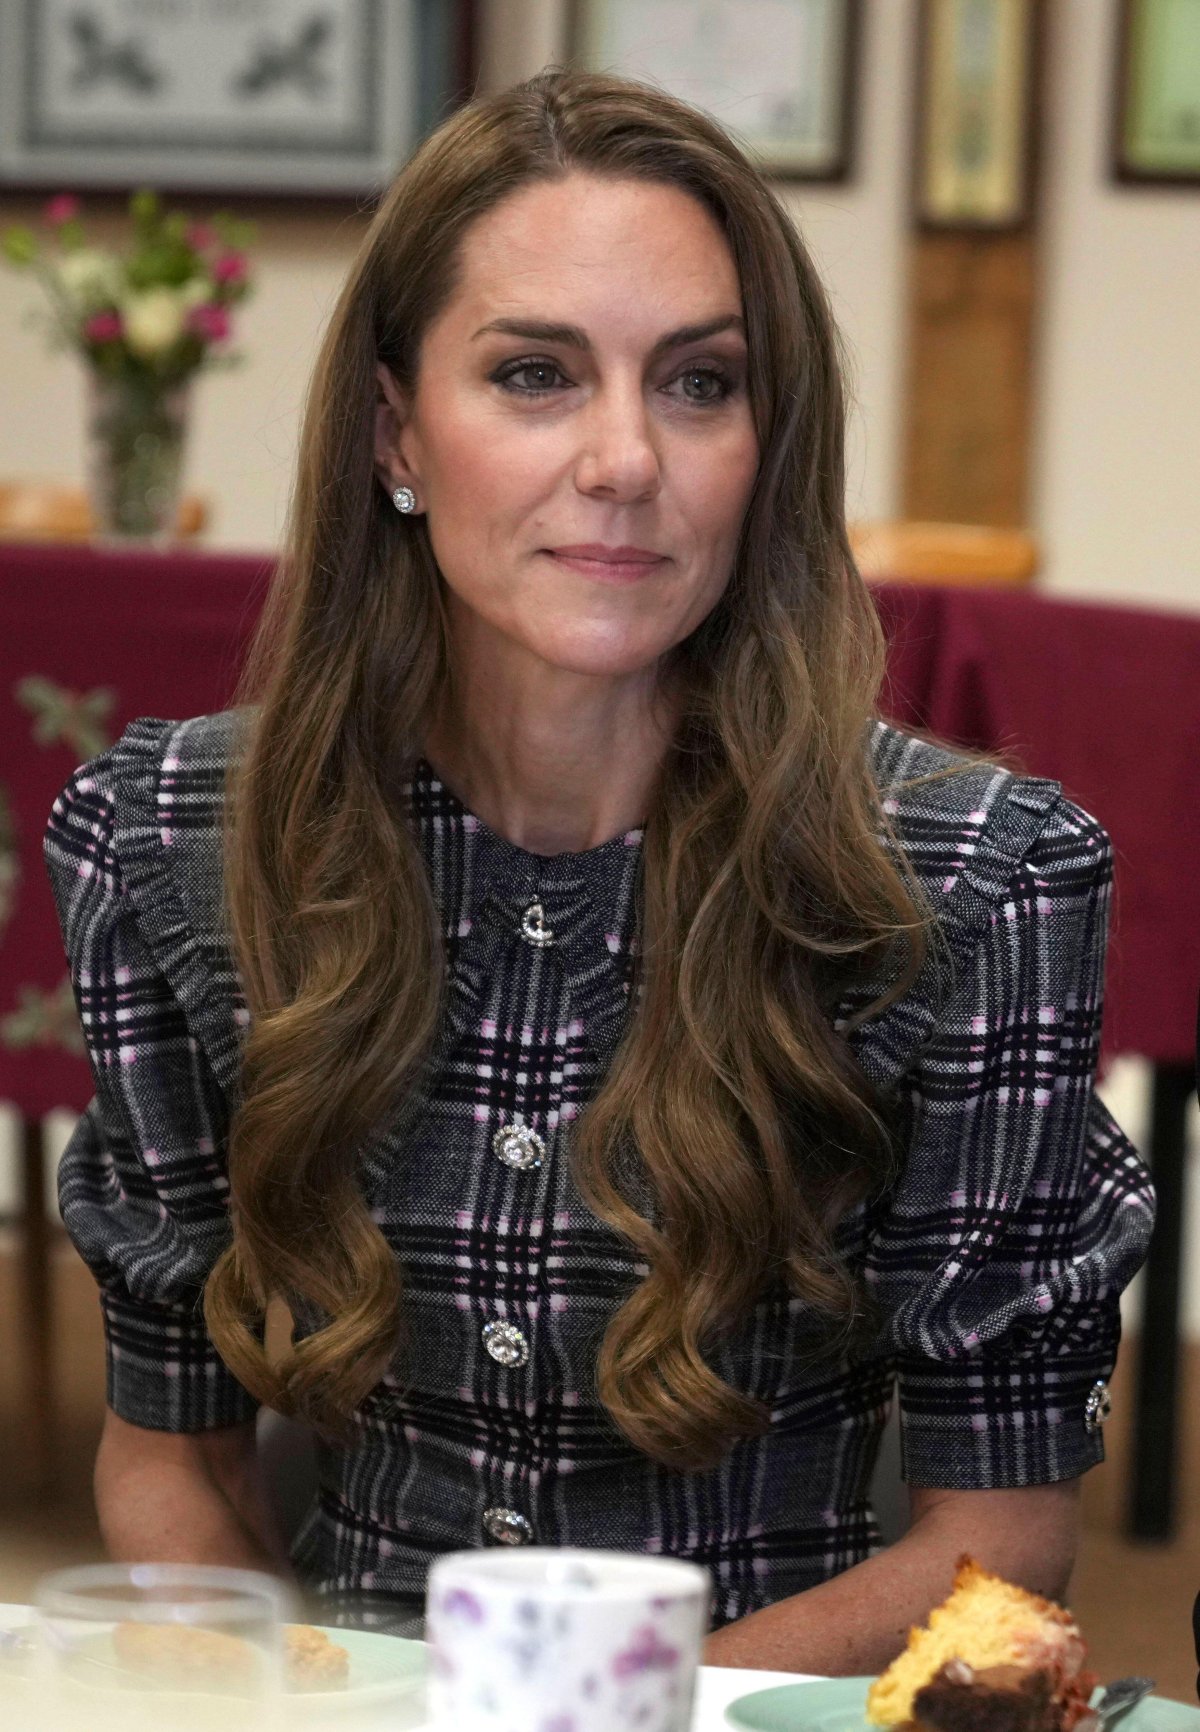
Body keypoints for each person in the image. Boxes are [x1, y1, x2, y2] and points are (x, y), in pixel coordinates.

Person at [44, 69, 1154, 1672]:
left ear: (769, 447)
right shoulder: (172, 844)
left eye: (700, 385)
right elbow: (174, 1452)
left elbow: (999, 1533)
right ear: (394, 431)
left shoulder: (973, 880)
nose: (628, 458)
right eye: (535, 375)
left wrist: (603, 1719)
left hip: (764, 1705)